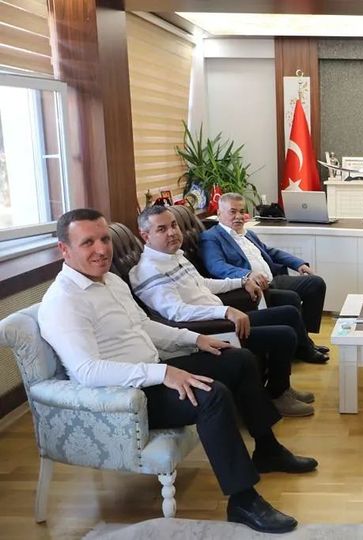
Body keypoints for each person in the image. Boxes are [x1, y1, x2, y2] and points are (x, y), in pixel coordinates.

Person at [38, 209, 319, 534]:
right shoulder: (64, 301)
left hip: (153, 369)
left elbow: (144, 325)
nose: (101, 249)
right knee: (212, 396)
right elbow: (88, 371)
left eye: (104, 239)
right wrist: (164, 375)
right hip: (126, 398)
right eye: (88, 242)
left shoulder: (111, 281)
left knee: (237, 360)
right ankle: (243, 500)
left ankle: (268, 450)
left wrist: (194, 339)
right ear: (64, 249)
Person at [130, 205, 324, 416]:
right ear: (145, 236)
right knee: (284, 335)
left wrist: (241, 281)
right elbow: (176, 313)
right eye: (162, 229)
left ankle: (282, 387)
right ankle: (278, 395)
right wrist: (224, 312)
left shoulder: (174, 256)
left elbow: (203, 284)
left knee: (288, 313)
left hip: (221, 317)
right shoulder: (149, 270)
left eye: (174, 225)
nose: (172, 232)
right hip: (210, 330)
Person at [201, 193, 329, 345]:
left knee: (316, 283)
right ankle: (305, 346)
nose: (239, 216)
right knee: (291, 297)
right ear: (219, 213)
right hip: (255, 287)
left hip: (273, 279)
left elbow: (270, 252)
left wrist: (298, 264)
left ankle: (305, 337)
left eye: (242, 211)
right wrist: (247, 274)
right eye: (233, 212)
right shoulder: (211, 237)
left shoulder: (248, 234)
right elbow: (217, 266)